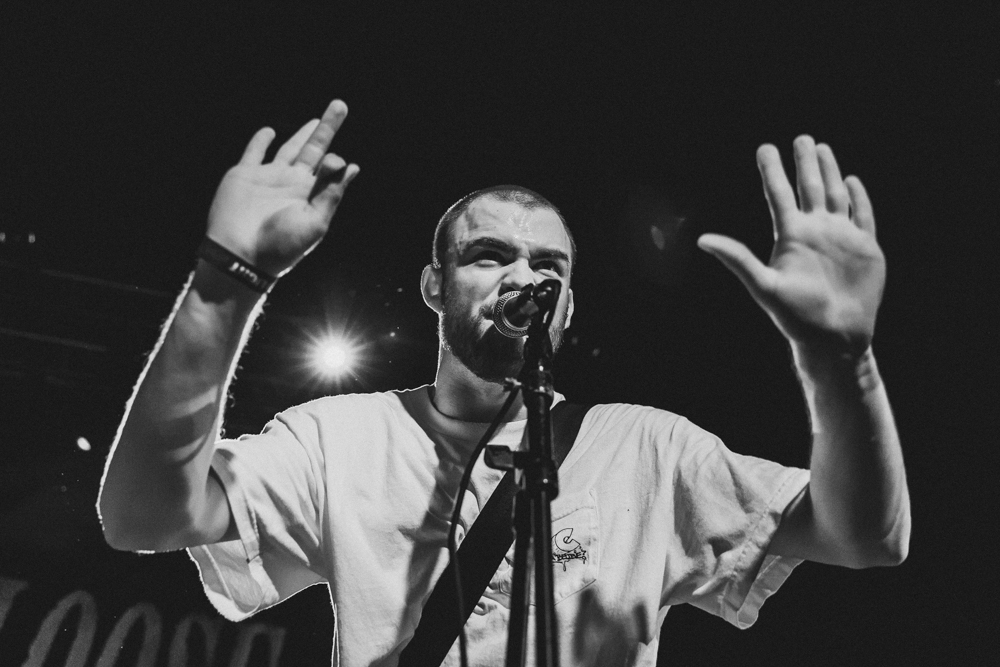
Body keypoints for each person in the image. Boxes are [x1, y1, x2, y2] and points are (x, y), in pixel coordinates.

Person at [97, 99, 911, 666]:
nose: (526, 276)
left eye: (549, 265)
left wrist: (845, 363)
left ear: (567, 305)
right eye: (490, 255)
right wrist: (224, 281)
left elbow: (865, 537)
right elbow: (142, 515)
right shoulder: (338, 441)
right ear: (434, 287)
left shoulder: (646, 448)